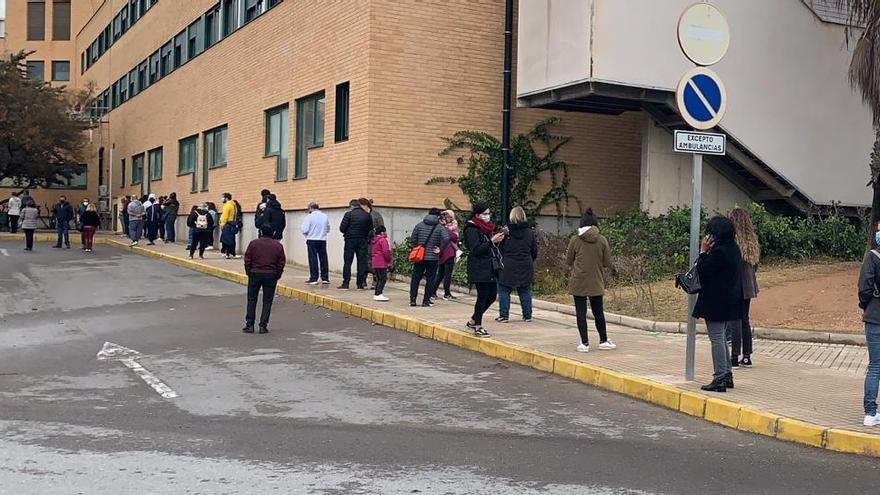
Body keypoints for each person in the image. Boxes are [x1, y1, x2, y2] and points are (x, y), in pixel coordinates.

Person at [693, 216, 744, 393]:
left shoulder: (718, 253)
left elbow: (701, 270)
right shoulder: (734, 249)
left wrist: (702, 251)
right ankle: (727, 373)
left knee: (716, 338)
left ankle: (720, 376)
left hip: (715, 301)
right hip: (729, 300)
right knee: (721, 337)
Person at [566, 208, 615, 353]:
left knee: (580, 312)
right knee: (598, 311)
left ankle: (584, 343)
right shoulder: (602, 240)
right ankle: (603, 340)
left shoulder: (575, 240)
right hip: (596, 280)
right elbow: (607, 262)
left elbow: (569, 260)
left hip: (578, 281)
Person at [463, 203, 504, 338]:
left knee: (492, 295)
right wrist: (491, 241)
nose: (488, 216)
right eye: (485, 214)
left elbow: (487, 245)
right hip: (479, 266)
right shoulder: (471, 229)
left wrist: (496, 240)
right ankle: (478, 326)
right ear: (477, 215)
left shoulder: (485, 228)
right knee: (482, 296)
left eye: (488, 213)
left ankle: (473, 319)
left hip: (489, 266)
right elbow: (476, 249)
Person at [728, 207, 760, 368]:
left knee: (735, 319)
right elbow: (755, 265)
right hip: (749, 284)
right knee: (745, 320)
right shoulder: (751, 240)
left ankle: (734, 356)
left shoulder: (733, 241)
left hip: (736, 284)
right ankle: (746, 356)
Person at [497, 206, 538, 323]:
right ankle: (527, 315)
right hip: (526, 263)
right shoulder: (529, 232)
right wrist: (529, 259)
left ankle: (504, 315)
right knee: (525, 289)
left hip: (508, 263)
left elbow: (500, 248)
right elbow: (534, 250)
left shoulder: (506, 232)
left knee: (504, 289)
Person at [243, 224, 287, 334]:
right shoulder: (277, 246)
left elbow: (247, 259)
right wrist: (278, 274)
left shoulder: (253, 244)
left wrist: (249, 272)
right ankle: (263, 325)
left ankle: (250, 324)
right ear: (273, 233)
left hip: (255, 273)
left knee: (252, 299)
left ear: (261, 232)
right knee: (267, 301)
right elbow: (281, 262)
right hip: (270, 274)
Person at [859, 222, 880, 426]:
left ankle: (870, 412)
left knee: (875, 365)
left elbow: (864, 288)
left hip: (874, 316)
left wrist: (865, 305)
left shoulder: (872, 258)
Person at [408, 208, 450, 307]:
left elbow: (413, 239)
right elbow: (446, 238)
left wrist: (416, 247)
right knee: (430, 279)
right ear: (438, 216)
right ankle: (426, 300)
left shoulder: (419, 225)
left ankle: (413, 299)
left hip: (419, 257)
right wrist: (440, 249)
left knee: (416, 278)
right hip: (432, 257)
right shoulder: (439, 227)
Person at [338, 199, 373, 290]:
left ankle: (346, 283)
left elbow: (342, 228)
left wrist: (349, 232)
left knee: (347, 262)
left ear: (351, 206)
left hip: (350, 240)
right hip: (363, 241)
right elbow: (370, 228)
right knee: (361, 262)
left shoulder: (348, 214)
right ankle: (360, 284)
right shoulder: (367, 215)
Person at [300, 201, 331, 284]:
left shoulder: (309, 217)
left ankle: (314, 278)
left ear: (310, 208)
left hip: (311, 239)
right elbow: (328, 228)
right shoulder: (325, 216)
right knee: (323, 258)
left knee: (313, 259)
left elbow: (305, 229)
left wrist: (306, 234)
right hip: (322, 239)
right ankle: (325, 278)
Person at [372, 225, 392, 301]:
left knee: (378, 278)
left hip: (375, 262)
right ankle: (378, 293)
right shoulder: (383, 240)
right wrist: (389, 260)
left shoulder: (374, 240)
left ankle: (377, 293)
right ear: (382, 232)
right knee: (383, 279)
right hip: (381, 262)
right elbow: (386, 251)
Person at [219, 192, 240, 259]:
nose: (221, 199)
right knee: (231, 239)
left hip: (227, 224)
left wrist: (222, 223)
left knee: (226, 240)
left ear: (226, 198)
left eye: (222, 197)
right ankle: (231, 253)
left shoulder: (227, 205)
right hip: (233, 223)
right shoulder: (233, 205)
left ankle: (227, 253)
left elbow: (225, 215)